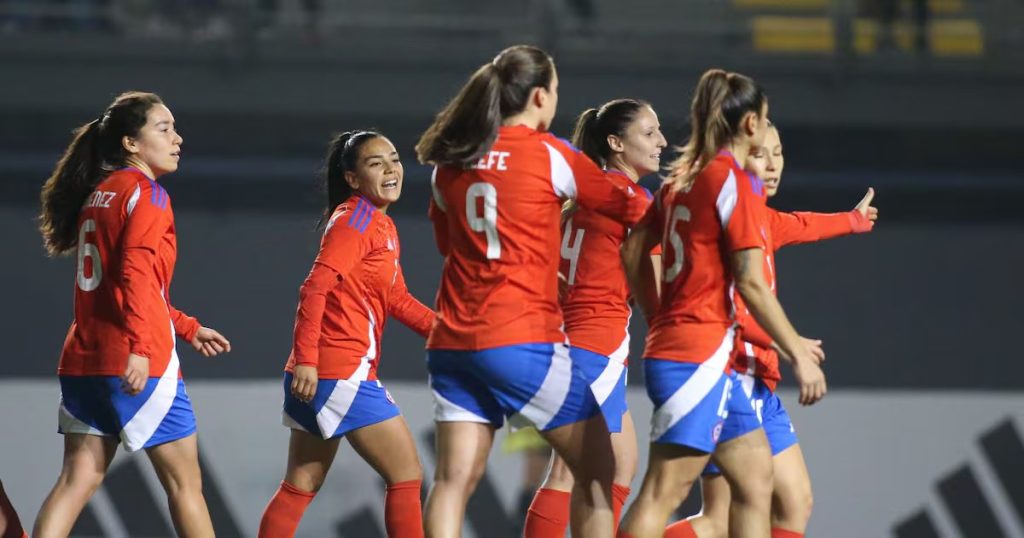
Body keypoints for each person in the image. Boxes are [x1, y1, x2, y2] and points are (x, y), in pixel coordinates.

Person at [416, 44, 649, 537]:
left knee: (452, 481)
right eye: (556, 91)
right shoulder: (550, 155)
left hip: (452, 344)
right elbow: (627, 205)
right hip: (522, 340)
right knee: (597, 473)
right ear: (540, 96)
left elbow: (446, 245)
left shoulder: (450, 162)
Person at [618, 68, 826, 538]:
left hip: (706, 357)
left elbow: (632, 250)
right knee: (664, 491)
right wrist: (797, 352)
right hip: (697, 357)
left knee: (755, 481)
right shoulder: (735, 181)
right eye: (764, 119)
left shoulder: (682, 179)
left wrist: (657, 316)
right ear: (751, 124)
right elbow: (751, 282)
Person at [664, 122, 878, 538]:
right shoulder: (726, 218)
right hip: (730, 377)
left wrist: (852, 220)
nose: (773, 164)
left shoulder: (760, 217)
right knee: (720, 518)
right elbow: (728, 307)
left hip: (758, 380)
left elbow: (802, 224)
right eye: (760, 154)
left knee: (793, 504)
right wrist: (788, 344)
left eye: (778, 153)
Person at [35, 91, 231, 537]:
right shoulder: (147, 194)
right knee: (185, 486)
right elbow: (135, 274)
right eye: (164, 129)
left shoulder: (99, 195)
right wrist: (141, 348)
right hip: (138, 361)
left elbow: (123, 288)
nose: (177, 139)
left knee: (76, 480)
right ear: (131, 143)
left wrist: (188, 327)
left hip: (85, 360)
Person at [258, 130, 433, 538]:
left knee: (300, 484)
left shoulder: (379, 223)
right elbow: (313, 288)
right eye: (376, 163)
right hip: (339, 372)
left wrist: (449, 333)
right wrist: (307, 359)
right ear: (352, 178)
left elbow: (397, 298)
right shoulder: (357, 220)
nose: (390, 170)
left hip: (322, 374)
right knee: (407, 474)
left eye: (394, 159)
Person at [524, 98, 667, 536]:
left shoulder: (579, 195)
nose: (662, 141)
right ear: (616, 143)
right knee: (568, 472)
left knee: (622, 463)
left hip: (575, 342)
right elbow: (658, 287)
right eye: (649, 133)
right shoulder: (629, 200)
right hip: (593, 345)